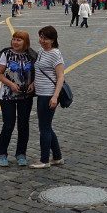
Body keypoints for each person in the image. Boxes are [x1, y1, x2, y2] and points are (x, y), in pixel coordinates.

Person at [0, 31, 36, 166]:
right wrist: (11, 84)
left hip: (26, 95)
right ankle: (2, 153)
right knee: (8, 124)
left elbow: (37, 73)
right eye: (14, 39)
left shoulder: (31, 55)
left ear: (26, 42)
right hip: (8, 95)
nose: (15, 42)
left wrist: (33, 84)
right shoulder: (5, 54)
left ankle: (21, 153)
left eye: (19, 40)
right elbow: (0, 74)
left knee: (24, 125)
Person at [30, 26, 65, 168]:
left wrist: (55, 97)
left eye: (46, 38)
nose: (42, 41)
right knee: (46, 127)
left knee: (44, 127)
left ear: (53, 40)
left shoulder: (55, 54)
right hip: (40, 92)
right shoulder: (41, 52)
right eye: (41, 37)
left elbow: (61, 76)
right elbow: (38, 70)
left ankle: (44, 160)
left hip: (49, 94)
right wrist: (33, 83)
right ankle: (57, 157)